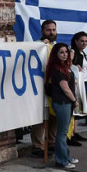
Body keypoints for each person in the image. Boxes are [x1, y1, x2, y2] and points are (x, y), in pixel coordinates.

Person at [46, 42, 78, 169]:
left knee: (63, 132)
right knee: (62, 133)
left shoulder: (65, 66)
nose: (65, 55)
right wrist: (74, 100)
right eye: (61, 52)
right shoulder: (58, 69)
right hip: (62, 102)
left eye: (66, 52)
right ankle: (61, 160)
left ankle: (66, 157)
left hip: (65, 102)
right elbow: (65, 88)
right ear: (56, 54)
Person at [30, 20, 58, 157]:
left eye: (53, 30)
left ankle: (52, 142)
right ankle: (37, 146)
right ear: (42, 31)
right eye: (48, 30)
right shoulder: (37, 45)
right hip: (40, 85)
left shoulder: (57, 46)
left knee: (54, 114)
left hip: (55, 85)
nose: (51, 33)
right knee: (40, 117)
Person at [67, 31, 87, 146]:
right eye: (82, 41)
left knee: (78, 108)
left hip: (82, 81)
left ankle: (75, 132)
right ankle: (70, 135)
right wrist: (75, 66)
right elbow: (68, 63)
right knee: (74, 107)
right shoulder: (73, 52)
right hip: (75, 83)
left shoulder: (82, 53)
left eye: (86, 41)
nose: (84, 43)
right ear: (76, 41)